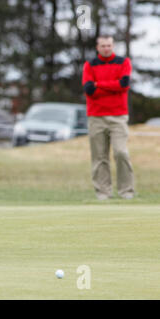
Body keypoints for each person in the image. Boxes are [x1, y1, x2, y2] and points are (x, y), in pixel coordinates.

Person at [82, 35, 135, 200]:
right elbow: (89, 89)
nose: (106, 48)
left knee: (121, 152)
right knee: (99, 157)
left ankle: (126, 191)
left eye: (109, 45)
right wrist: (113, 85)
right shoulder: (89, 65)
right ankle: (103, 193)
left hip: (118, 116)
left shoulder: (123, 62)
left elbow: (124, 84)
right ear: (97, 47)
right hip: (96, 116)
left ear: (113, 46)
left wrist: (100, 84)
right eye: (103, 45)